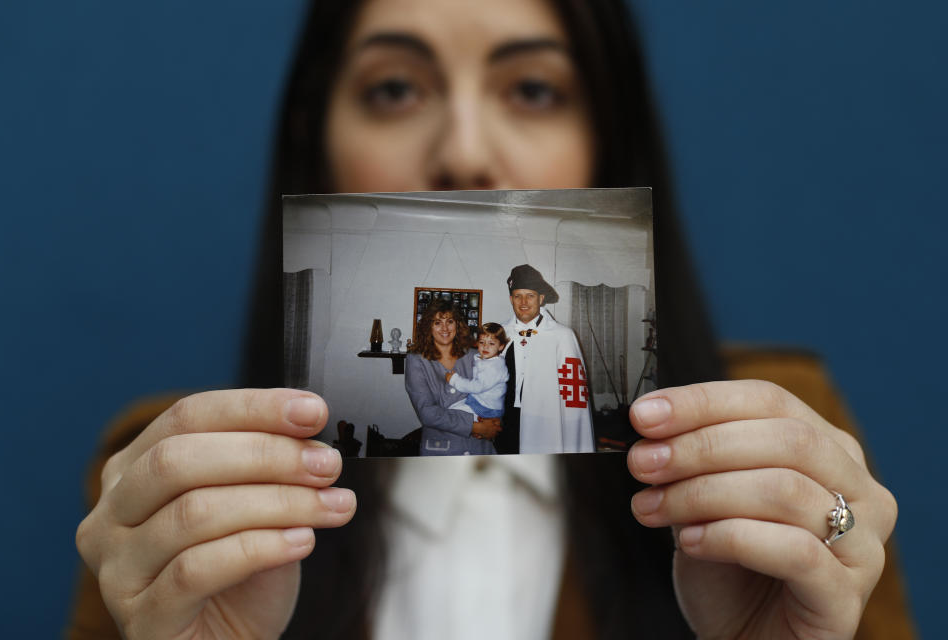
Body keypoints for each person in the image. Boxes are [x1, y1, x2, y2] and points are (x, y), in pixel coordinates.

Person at [72, 0, 907, 638]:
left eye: (534, 89)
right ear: (316, 136)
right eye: (394, 87)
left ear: (605, 143)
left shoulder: (789, 453)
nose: (464, 150)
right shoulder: (169, 490)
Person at [499, 264, 594, 455]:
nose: (523, 302)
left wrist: (573, 430)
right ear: (511, 299)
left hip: (546, 420)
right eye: (518, 296)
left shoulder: (562, 336)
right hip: (506, 420)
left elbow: (574, 395)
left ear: (541, 299)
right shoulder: (500, 333)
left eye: (530, 296)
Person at [405, 300, 501, 455]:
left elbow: (495, 393)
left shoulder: (475, 356)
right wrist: (474, 426)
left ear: (458, 325)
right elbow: (427, 413)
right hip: (440, 451)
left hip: (480, 449)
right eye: (437, 322)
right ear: (428, 327)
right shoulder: (416, 360)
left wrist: (494, 422)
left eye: (450, 321)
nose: (445, 328)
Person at [445, 321, 510, 420]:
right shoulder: (487, 359)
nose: (485, 346)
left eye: (491, 343)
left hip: (486, 408)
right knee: (452, 408)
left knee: (452, 414)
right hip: (479, 401)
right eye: (482, 342)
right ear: (477, 343)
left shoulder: (494, 367)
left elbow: (477, 387)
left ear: (501, 346)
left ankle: (478, 426)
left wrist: (454, 380)